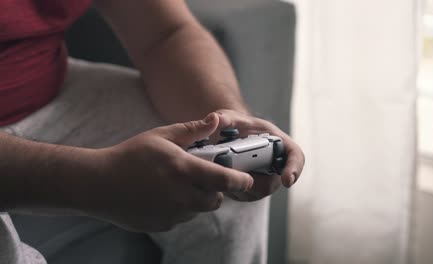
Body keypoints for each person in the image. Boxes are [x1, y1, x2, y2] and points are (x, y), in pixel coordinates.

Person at [0, 0, 305, 263]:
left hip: (45, 83)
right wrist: (95, 180)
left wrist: (228, 117)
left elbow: (165, 33)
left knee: (230, 186)